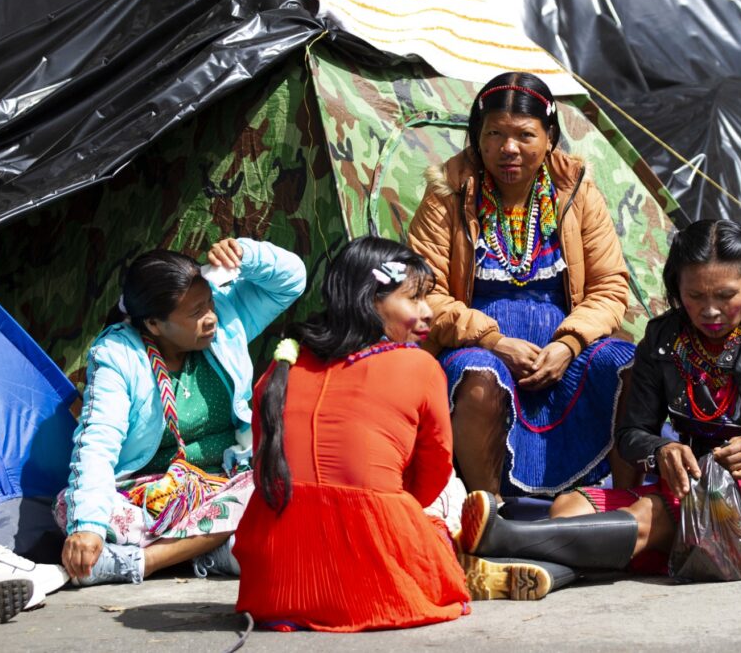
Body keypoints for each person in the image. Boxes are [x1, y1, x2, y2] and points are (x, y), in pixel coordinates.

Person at [457, 219, 741, 589]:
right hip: (696, 483)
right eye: (695, 296)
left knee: (649, 516)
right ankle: (543, 573)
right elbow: (631, 434)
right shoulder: (663, 338)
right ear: (676, 287)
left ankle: (502, 544)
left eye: (726, 295)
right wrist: (662, 450)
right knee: (569, 508)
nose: (710, 310)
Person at [408, 71, 638, 499]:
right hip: (478, 347)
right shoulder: (448, 193)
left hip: (565, 355)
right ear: (477, 137)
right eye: (494, 133)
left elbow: (609, 288)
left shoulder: (577, 191)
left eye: (524, 135)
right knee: (478, 376)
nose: (508, 149)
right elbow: (425, 292)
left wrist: (568, 345)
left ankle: (626, 504)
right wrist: (494, 341)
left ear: (549, 137)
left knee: (627, 365)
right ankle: (488, 509)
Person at [233, 237, 473, 632]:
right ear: (372, 300)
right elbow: (431, 474)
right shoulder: (420, 366)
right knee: (450, 493)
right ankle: (463, 555)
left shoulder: (280, 369)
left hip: (273, 588)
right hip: (375, 587)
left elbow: (268, 467)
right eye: (414, 298)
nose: (428, 312)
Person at [57, 238, 306, 586]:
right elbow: (97, 442)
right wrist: (87, 528)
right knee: (74, 510)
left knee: (275, 480)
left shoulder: (226, 322)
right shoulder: (116, 355)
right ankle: (210, 548)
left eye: (209, 304)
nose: (210, 318)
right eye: (195, 313)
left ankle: (145, 561)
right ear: (154, 325)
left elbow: (291, 279)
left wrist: (245, 256)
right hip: (150, 498)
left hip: (225, 483)